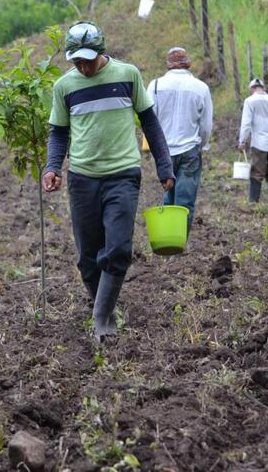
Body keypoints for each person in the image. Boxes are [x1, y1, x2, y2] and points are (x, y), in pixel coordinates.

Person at [42, 21, 175, 344]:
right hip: (83, 178)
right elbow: (59, 132)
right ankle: (106, 308)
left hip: (123, 174)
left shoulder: (128, 75)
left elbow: (150, 122)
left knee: (117, 249)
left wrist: (164, 164)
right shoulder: (65, 86)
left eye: (88, 60)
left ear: (101, 52)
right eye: (77, 62)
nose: (84, 67)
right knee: (88, 258)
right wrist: (52, 167)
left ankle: (102, 318)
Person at [146, 47, 213, 234]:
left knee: (168, 193)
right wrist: (201, 145)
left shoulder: (156, 86)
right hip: (189, 149)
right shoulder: (201, 88)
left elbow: (149, 120)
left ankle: (165, 236)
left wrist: (154, 148)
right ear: (188, 64)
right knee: (185, 199)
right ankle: (179, 240)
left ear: (168, 65)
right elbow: (206, 125)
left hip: (163, 150)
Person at [238, 78, 268, 203]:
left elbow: (246, 123)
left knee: (256, 173)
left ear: (252, 88)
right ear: (263, 88)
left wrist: (242, 141)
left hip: (259, 143)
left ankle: (253, 202)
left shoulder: (249, 101)